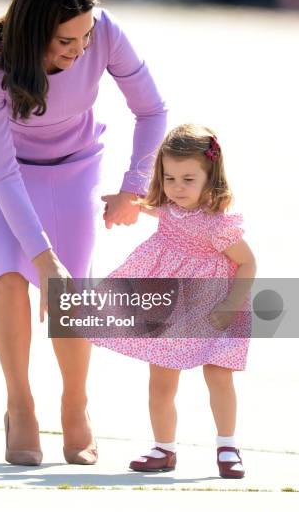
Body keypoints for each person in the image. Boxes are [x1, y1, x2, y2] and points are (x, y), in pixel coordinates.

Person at [0, 0, 167, 466]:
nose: (80, 49)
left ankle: (76, 404)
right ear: (33, 30)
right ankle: (20, 404)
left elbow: (152, 110)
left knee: (71, 289)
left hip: (74, 163)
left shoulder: (103, 30)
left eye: (84, 37)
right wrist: (40, 255)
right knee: (9, 276)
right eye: (65, 40)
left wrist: (133, 188)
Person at [91, 123, 256, 478]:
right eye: (170, 178)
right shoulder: (167, 209)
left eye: (188, 179)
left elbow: (248, 262)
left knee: (219, 375)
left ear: (211, 177)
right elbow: (142, 207)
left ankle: (227, 445)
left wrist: (231, 307)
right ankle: (163, 448)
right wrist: (123, 203)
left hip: (215, 308)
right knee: (161, 379)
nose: (177, 188)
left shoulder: (217, 225)